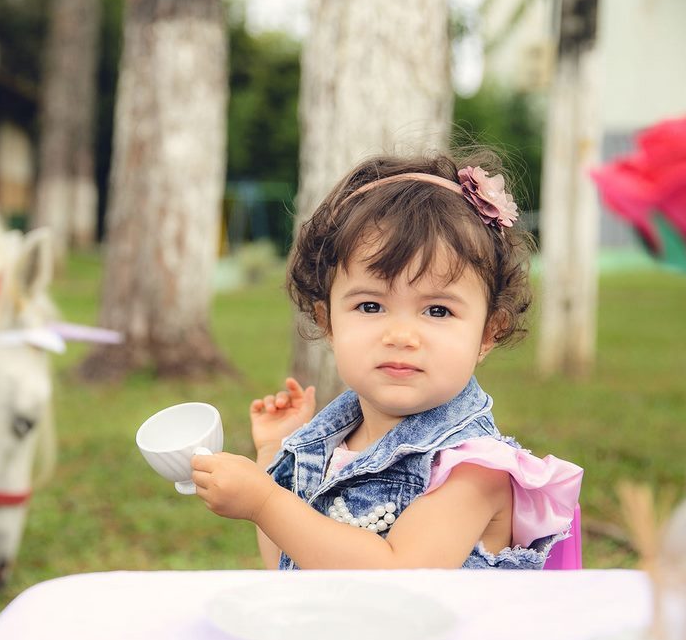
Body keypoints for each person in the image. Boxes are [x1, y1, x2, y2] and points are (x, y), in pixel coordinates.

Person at [191, 152, 583, 570]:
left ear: (489, 332)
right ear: (328, 322)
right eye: (370, 306)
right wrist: (272, 455)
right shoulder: (330, 446)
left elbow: (398, 575)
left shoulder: (474, 469)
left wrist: (266, 502)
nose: (400, 336)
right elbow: (289, 567)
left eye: (437, 311)